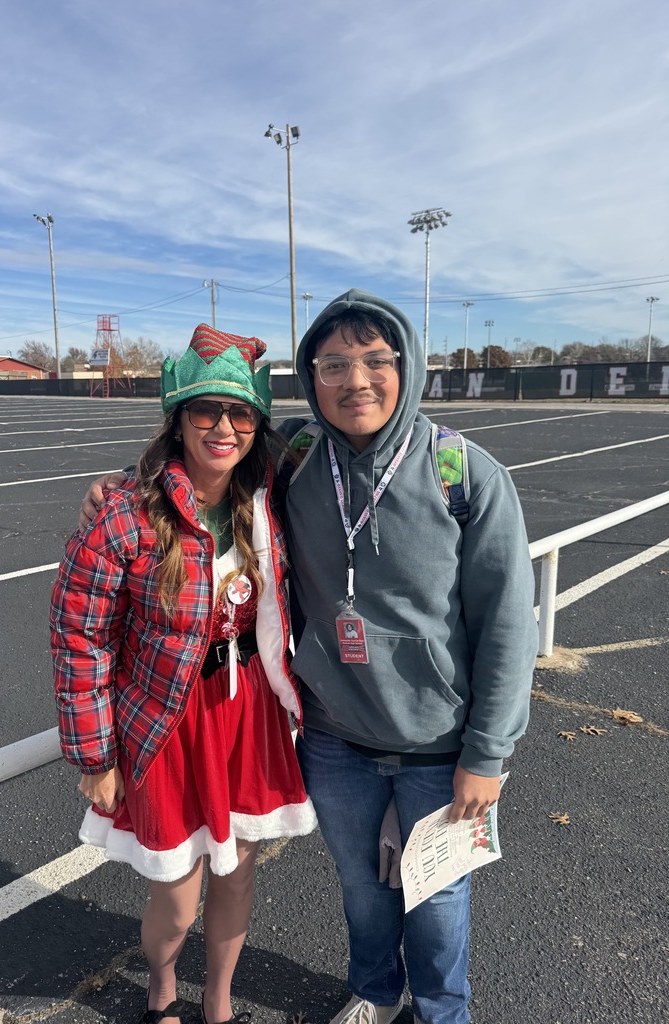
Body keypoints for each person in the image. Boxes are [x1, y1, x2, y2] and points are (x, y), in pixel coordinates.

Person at [80, 291, 538, 1024]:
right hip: (334, 740)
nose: (355, 379)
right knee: (361, 888)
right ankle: (375, 992)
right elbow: (206, 451)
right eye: (333, 364)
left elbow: (510, 624)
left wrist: (489, 752)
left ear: (406, 366)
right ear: (311, 378)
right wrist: (121, 485)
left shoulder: (465, 475)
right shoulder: (294, 459)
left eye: (375, 360)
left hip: (437, 743)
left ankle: (444, 1012)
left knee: (440, 898)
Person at [51, 324, 317, 1024]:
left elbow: (348, 440)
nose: (223, 427)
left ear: (257, 425)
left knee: (238, 875)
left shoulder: (269, 496)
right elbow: (79, 637)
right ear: (178, 420)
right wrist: (93, 753)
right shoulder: (125, 515)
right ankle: (162, 986)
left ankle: (220, 1003)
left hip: (248, 716)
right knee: (176, 893)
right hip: (168, 721)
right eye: (206, 411)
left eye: (240, 413)